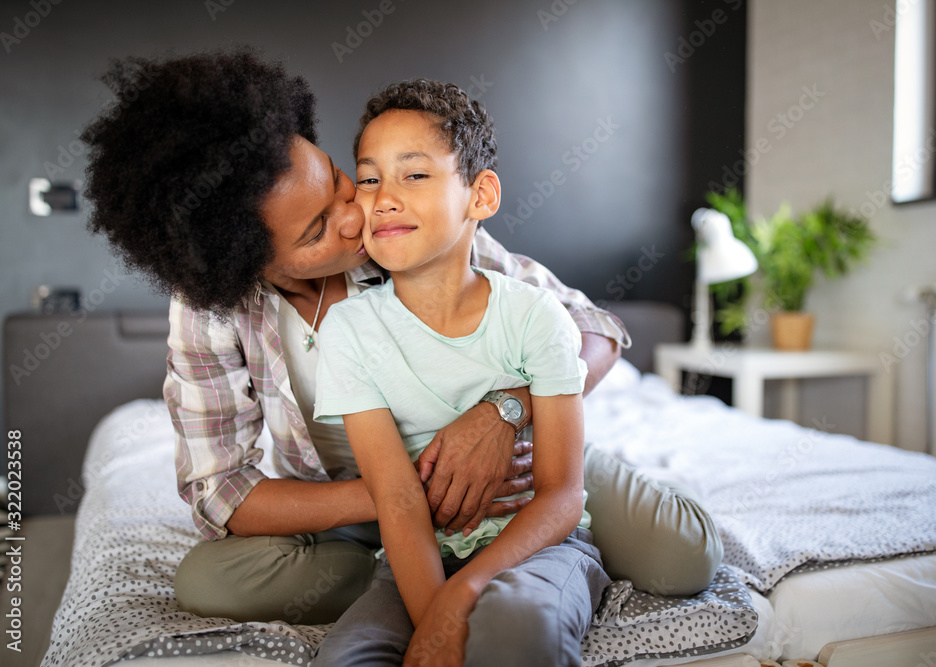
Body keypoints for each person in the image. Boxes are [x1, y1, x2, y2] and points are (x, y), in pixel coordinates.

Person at [79, 48, 635, 625]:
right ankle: (414, 567)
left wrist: (504, 412)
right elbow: (220, 490)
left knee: (680, 557)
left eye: (341, 184)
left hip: (504, 476)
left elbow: (596, 331)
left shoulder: (405, 236)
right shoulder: (212, 309)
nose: (357, 217)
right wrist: (402, 500)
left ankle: (535, 535)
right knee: (208, 581)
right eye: (318, 228)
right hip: (355, 503)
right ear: (245, 263)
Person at [310, 79, 611, 667]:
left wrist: (463, 597)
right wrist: (434, 617)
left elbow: (561, 496)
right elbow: (396, 498)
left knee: (523, 636)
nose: (384, 198)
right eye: (369, 178)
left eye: (414, 174)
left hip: (538, 546)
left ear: (481, 196)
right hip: (416, 557)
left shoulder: (535, 315)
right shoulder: (348, 331)